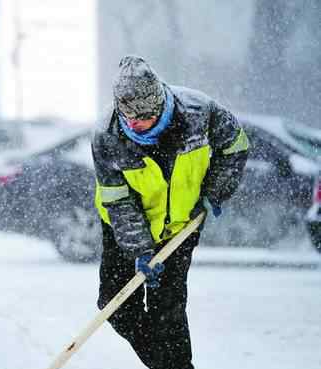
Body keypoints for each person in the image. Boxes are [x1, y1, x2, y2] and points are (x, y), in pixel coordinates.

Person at [91, 56, 249, 369]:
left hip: (181, 224)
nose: (134, 123)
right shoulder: (107, 137)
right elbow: (118, 201)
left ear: (160, 102)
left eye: (143, 116)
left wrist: (215, 191)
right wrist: (140, 250)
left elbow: (236, 145)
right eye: (128, 116)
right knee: (115, 306)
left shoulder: (199, 112)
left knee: (168, 310)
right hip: (124, 225)